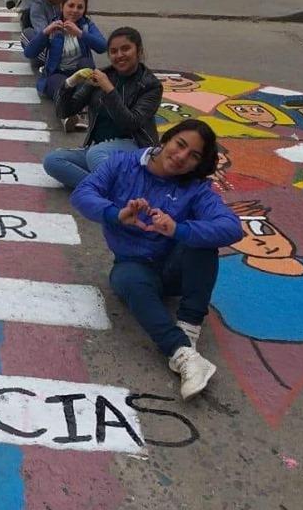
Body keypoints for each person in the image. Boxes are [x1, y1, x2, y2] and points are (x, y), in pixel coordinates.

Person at [70, 119, 242, 401]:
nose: (182, 157)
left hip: (174, 268)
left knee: (201, 242)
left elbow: (232, 227)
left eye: (194, 156)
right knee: (125, 279)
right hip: (133, 265)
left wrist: (178, 229)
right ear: (166, 140)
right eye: (180, 144)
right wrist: (115, 213)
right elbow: (83, 194)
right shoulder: (122, 164)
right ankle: (183, 353)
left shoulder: (196, 188)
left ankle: (188, 327)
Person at [44, 27, 163, 186]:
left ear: (139, 51)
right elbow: (64, 111)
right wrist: (70, 83)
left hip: (135, 148)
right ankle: (105, 188)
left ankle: (108, 189)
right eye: (113, 51)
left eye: (125, 49)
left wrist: (109, 89)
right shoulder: (103, 75)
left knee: (96, 154)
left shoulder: (151, 85)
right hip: (99, 149)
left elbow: (130, 122)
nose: (119, 55)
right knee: (52, 161)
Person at [23, 0, 107, 126]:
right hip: (58, 74)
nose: (74, 11)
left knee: (87, 64)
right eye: (71, 5)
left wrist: (80, 33)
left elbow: (103, 47)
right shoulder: (54, 24)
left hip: (80, 74)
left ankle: (80, 108)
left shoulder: (86, 25)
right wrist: (45, 33)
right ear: (62, 6)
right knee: (61, 85)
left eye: (80, 7)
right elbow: (29, 53)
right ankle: (67, 116)